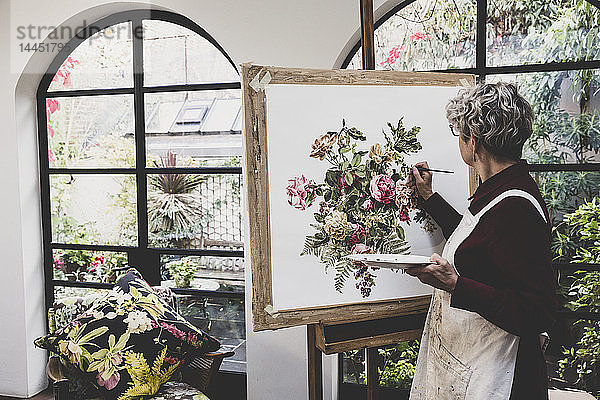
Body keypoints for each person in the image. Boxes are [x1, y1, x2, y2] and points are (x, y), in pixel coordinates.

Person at [406, 82, 557, 400]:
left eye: (459, 134)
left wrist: (455, 285)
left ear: (472, 141)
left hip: (505, 380)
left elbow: (536, 312)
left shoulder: (515, 203)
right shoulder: (497, 188)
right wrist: (429, 197)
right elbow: (478, 245)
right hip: (478, 368)